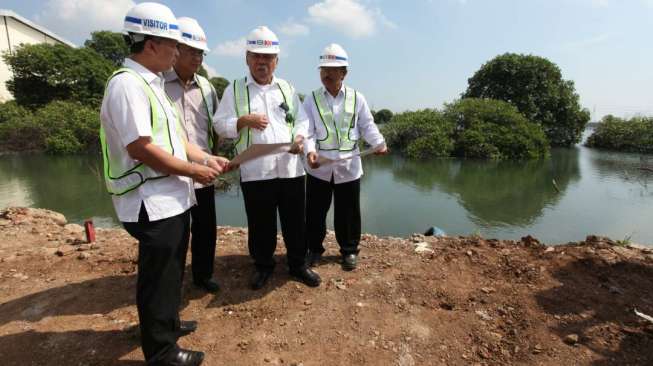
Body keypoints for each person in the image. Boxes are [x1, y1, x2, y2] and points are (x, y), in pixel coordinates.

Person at [100, 3, 227, 365]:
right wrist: (193, 172)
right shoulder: (128, 85)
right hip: (149, 200)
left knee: (171, 272)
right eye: (173, 44)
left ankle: (167, 324)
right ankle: (162, 352)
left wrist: (205, 158)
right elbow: (142, 148)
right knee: (158, 276)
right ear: (151, 44)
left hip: (170, 198)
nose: (178, 51)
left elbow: (175, 139)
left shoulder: (151, 84)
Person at [213, 26, 321, 290]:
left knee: (295, 221)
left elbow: (302, 121)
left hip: (290, 169)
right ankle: (263, 266)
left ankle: (297, 265)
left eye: (268, 57)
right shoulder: (234, 90)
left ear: (277, 61)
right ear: (247, 58)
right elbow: (219, 124)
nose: (262, 62)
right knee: (260, 223)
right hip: (255, 169)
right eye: (257, 56)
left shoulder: (286, 88)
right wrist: (241, 121)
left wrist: (299, 139)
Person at [303, 43, 387, 271]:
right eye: (323, 69)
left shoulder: (357, 98)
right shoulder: (311, 99)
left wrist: (379, 143)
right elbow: (306, 130)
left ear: (344, 73)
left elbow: (367, 125)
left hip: (348, 166)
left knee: (348, 212)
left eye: (333, 69)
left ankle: (349, 251)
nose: (327, 74)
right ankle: (313, 249)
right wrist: (309, 151)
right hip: (318, 166)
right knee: (315, 212)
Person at [164, 17, 223, 294]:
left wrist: (215, 157)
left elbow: (214, 128)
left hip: (203, 171)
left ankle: (203, 275)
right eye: (193, 51)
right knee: (174, 235)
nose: (198, 58)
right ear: (176, 49)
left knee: (205, 230)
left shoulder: (208, 88)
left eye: (201, 53)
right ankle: (171, 284)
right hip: (170, 173)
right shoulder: (158, 85)